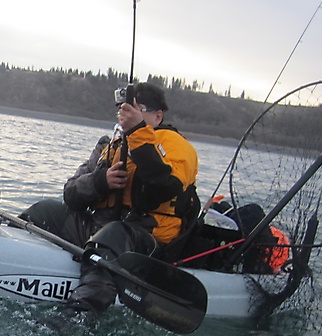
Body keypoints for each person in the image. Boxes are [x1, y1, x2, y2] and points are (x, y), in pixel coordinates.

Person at [21, 82, 199, 316]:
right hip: (100, 233)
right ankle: (8, 253)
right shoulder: (110, 146)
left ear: (158, 115)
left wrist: (138, 134)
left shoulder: (177, 146)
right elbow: (71, 195)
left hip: (145, 242)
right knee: (45, 211)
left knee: (114, 233)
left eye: (138, 109)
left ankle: (81, 314)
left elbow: (165, 187)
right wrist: (100, 181)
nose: (127, 115)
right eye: (124, 109)